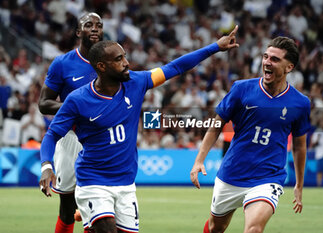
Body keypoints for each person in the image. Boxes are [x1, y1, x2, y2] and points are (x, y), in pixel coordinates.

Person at [39, 27, 239, 233]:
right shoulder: (78, 100)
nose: (126, 63)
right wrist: (46, 166)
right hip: (93, 182)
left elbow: (175, 67)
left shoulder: (137, 82)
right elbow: (52, 135)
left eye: (124, 57)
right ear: (101, 66)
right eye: (118, 59)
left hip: (126, 184)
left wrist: (215, 47)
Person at [190, 36, 311, 233]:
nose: (267, 62)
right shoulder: (242, 89)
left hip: (268, 177)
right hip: (232, 174)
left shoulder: (300, 103)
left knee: (253, 229)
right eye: (265, 57)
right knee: (216, 228)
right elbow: (216, 125)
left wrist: (299, 184)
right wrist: (199, 160)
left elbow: (299, 146)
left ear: (289, 67)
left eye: (274, 59)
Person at [38, 12, 103, 233]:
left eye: (99, 25)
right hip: (70, 138)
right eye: (89, 25)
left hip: (100, 140)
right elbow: (44, 103)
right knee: (67, 209)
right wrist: (73, 108)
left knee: (98, 210)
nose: (95, 28)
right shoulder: (62, 64)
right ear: (78, 32)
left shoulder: (109, 62)